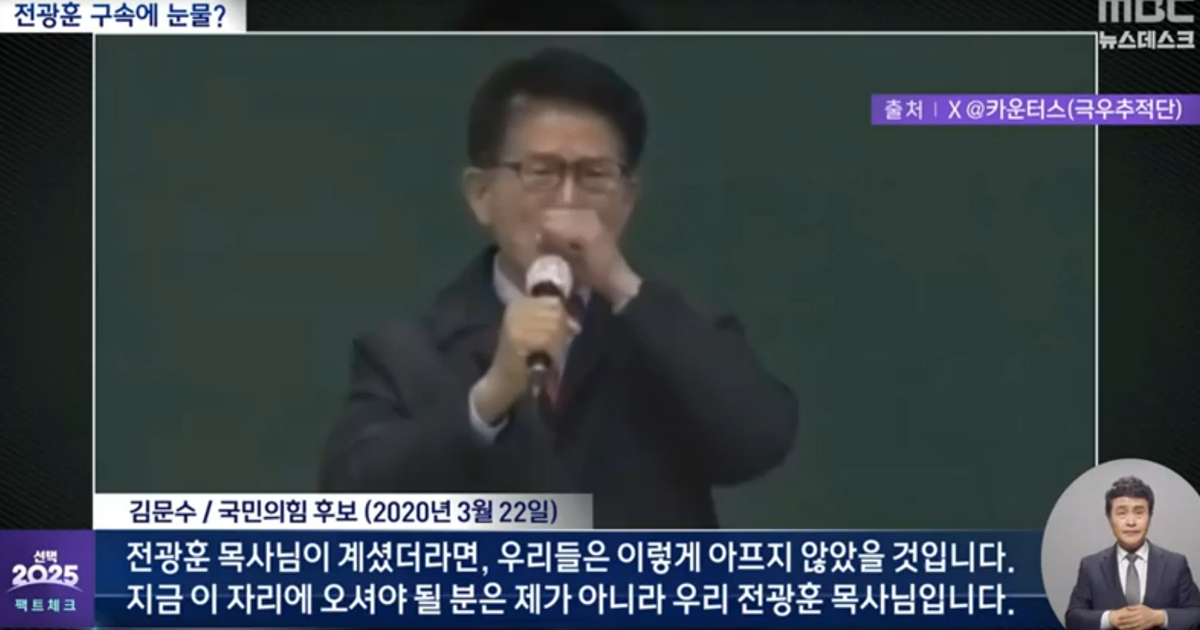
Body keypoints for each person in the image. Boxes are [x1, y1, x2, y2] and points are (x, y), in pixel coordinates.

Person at [317, 48, 798, 528]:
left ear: (627, 199)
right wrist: (489, 398)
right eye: (541, 173)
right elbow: (351, 507)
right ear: (482, 195)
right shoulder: (405, 356)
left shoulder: (674, 331)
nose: (567, 201)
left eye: (594, 176)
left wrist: (620, 283)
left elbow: (759, 440)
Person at [1066, 476, 1200, 630]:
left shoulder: (1175, 564)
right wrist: (1110, 618)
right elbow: (1073, 618)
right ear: (1109, 518)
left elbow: (1196, 613)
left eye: (1139, 513)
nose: (1131, 522)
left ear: (1150, 516)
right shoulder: (1091, 566)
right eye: (1122, 513)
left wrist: (1159, 617)